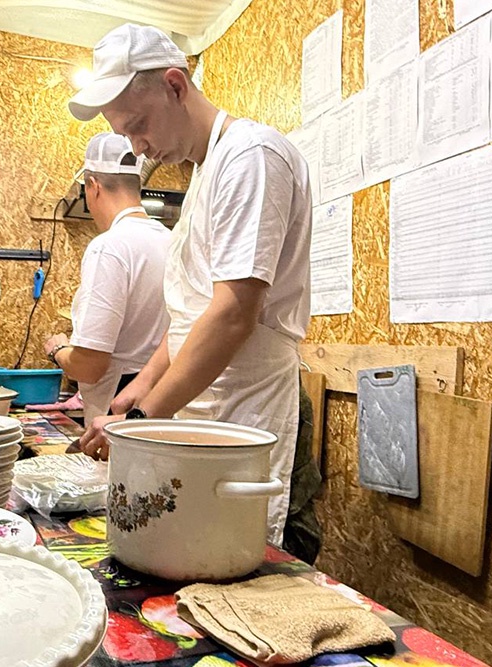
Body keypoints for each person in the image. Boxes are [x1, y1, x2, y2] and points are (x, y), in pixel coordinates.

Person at [69, 23, 320, 551]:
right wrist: (140, 388)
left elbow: (232, 313)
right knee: (203, 550)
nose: (137, 147)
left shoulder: (251, 157)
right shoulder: (206, 171)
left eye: (138, 125)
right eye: (125, 134)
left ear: (175, 85)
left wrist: (143, 421)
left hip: (251, 410)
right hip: (207, 405)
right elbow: (192, 312)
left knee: (252, 554)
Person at [44, 133, 171, 424]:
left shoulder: (109, 248)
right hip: (160, 406)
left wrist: (58, 350)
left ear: (93, 186)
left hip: (117, 409)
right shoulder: (172, 240)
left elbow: (90, 366)